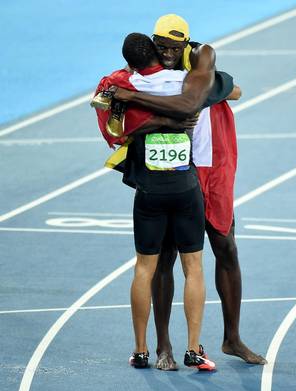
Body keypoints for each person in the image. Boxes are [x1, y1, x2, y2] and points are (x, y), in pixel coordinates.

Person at [111, 15, 266, 369]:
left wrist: (220, 84)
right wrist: (223, 87)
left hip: (216, 165)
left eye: (173, 47)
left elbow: (204, 97)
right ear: (152, 43)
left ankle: (232, 338)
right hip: (178, 171)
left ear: (186, 44)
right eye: (161, 45)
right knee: (164, 257)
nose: (166, 53)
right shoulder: (142, 68)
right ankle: (163, 344)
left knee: (226, 247)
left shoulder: (201, 57)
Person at [96, 33, 218, 371]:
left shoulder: (122, 85)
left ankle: (141, 350)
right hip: (185, 188)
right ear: (158, 53)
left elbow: (113, 132)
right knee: (193, 267)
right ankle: (193, 348)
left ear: (131, 62)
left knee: (145, 269)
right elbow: (232, 89)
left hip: (149, 189)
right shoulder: (186, 81)